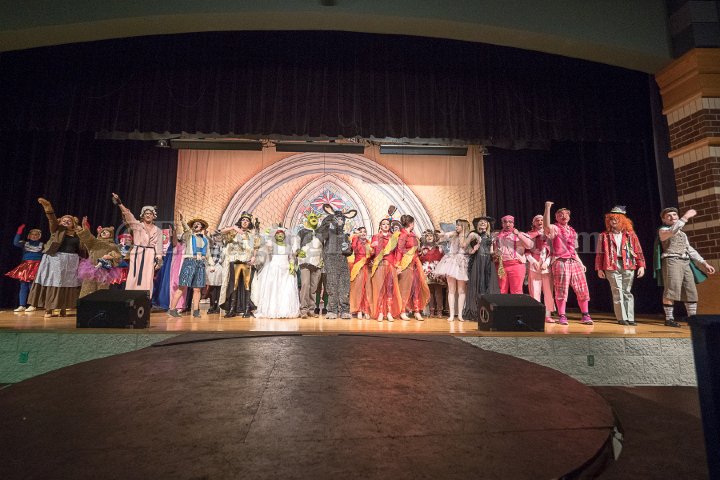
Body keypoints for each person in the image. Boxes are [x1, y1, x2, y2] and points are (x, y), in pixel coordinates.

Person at [654, 207, 715, 327]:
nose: (672, 217)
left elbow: (689, 249)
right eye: (669, 216)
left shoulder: (683, 234)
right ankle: (669, 318)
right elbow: (672, 231)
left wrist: (704, 263)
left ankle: (693, 318)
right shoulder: (663, 230)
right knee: (671, 288)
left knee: (690, 289)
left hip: (685, 261)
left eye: (674, 214)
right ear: (664, 220)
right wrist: (685, 217)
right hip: (672, 260)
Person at [27, 198, 83, 318]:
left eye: (69, 220)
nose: (66, 221)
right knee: (52, 281)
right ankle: (49, 309)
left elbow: (83, 248)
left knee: (67, 284)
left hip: (71, 261)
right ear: (60, 222)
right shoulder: (56, 229)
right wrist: (48, 207)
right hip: (55, 259)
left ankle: (63, 307)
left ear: (73, 223)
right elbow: (51, 219)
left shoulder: (77, 234)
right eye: (64, 220)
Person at [543, 201, 593, 326]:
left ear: (569, 217)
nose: (563, 216)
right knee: (561, 289)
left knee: (582, 288)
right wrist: (547, 208)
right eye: (560, 214)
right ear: (556, 218)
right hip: (560, 261)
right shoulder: (554, 228)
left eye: (566, 214)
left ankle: (585, 314)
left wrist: (581, 263)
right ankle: (562, 315)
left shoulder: (572, 231)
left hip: (573, 260)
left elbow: (574, 250)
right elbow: (546, 225)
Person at [595, 206, 646, 326]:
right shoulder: (604, 235)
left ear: (622, 220)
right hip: (611, 264)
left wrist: (641, 265)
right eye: (611, 219)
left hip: (628, 263)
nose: (613, 221)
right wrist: (599, 268)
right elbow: (599, 253)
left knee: (627, 291)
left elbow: (638, 250)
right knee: (617, 290)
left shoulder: (630, 235)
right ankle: (622, 317)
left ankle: (630, 317)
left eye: (616, 219)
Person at [112, 193, 163, 296]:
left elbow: (159, 247)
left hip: (149, 254)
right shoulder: (137, 225)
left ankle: (145, 298)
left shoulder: (158, 230)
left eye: (150, 213)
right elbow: (128, 215)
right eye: (146, 213)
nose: (148, 215)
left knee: (147, 276)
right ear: (142, 215)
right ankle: (130, 297)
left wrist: (159, 260)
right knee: (134, 275)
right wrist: (120, 203)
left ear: (154, 216)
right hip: (137, 252)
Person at [168, 214, 213, 318]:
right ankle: (172, 309)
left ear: (202, 227)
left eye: (199, 224)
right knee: (182, 286)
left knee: (197, 289)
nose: (196, 225)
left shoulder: (205, 239)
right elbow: (186, 229)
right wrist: (182, 220)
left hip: (200, 263)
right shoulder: (189, 236)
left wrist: (211, 264)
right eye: (195, 224)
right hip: (189, 262)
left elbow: (208, 253)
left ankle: (196, 311)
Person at [251, 227, 300, 318]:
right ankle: (273, 310)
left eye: (282, 234)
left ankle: (284, 310)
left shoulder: (288, 247)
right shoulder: (272, 245)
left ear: (284, 236)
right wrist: (267, 234)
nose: (280, 235)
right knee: (274, 289)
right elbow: (264, 242)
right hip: (274, 269)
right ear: (275, 236)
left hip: (285, 270)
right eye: (278, 234)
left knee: (285, 290)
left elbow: (291, 258)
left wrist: (292, 265)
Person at [220, 212, 260, 318]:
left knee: (247, 285)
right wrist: (234, 228)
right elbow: (221, 231)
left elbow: (256, 247)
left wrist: (254, 257)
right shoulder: (234, 232)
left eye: (247, 220)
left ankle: (247, 309)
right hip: (235, 260)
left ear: (249, 223)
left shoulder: (252, 235)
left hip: (247, 261)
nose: (245, 222)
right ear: (240, 222)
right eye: (243, 220)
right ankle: (232, 309)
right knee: (234, 284)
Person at [435, 219, 474, 322]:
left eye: (458, 225)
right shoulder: (453, 234)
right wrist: (441, 235)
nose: (456, 227)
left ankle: (460, 314)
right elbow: (443, 235)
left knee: (461, 290)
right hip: (451, 262)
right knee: (451, 290)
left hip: (462, 263)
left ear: (464, 226)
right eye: (456, 225)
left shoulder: (468, 237)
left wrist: (473, 249)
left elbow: (469, 249)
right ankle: (451, 314)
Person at [463, 216, 499, 320]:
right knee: (477, 284)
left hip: (488, 262)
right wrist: (473, 250)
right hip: (478, 261)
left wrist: (496, 253)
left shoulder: (490, 236)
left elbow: (491, 251)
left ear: (488, 225)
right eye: (481, 222)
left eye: (485, 222)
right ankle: (475, 311)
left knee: (487, 285)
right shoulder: (473, 234)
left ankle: (487, 312)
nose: (483, 223)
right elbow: (464, 246)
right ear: (477, 224)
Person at [76, 218, 122, 297]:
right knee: (88, 288)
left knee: (101, 289)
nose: (103, 232)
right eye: (102, 232)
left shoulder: (113, 246)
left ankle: (99, 302)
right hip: (91, 268)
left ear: (110, 235)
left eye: (106, 232)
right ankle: (85, 302)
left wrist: (111, 257)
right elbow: (88, 238)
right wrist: (84, 228)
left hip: (104, 269)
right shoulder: (94, 242)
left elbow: (119, 257)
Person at [396, 215, 430, 321]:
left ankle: (416, 310)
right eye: (413, 223)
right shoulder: (402, 235)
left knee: (416, 287)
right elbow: (399, 250)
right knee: (405, 287)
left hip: (415, 262)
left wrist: (420, 252)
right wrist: (398, 265)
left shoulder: (413, 235)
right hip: (406, 263)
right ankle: (402, 311)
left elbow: (415, 249)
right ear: (411, 223)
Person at [369, 218, 402, 322]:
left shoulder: (393, 237)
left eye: (387, 224)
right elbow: (371, 253)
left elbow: (397, 252)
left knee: (390, 288)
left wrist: (398, 265)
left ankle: (389, 312)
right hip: (379, 265)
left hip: (390, 265)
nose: (385, 225)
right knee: (380, 288)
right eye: (383, 224)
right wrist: (371, 248)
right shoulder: (375, 237)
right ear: (380, 226)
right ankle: (380, 312)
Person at [5, 224, 43, 312]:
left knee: (32, 286)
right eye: (32, 234)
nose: (34, 236)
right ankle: (22, 305)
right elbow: (15, 243)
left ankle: (33, 304)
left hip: (36, 266)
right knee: (23, 285)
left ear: (39, 236)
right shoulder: (25, 243)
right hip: (26, 266)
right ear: (29, 236)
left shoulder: (42, 245)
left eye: (36, 234)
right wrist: (19, 231)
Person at [526, 215, 555, 323]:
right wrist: (533, 262)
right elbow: (526, 251)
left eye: (542, 220)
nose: (540, 221)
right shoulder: (529, 235)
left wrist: (546, 263)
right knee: (535, 291)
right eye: (537, 220)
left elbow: (552, 252)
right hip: (534, 267)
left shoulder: (549, 235)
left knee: (548, 292)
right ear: (533, 223)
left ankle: (548, 315)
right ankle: (536, 314)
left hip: (546, 267)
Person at [494, 215, 534, 294]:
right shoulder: (497, 236)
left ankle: (517, 303)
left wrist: (518, 234)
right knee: (501, 290)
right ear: (502, 224)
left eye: (510, 222)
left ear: (513, 223)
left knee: (516, 291)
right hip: (501, 266)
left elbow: (530, 245)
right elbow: (495, 250)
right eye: (505, 222)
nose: (507, 224)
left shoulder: (520, 234)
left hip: (516, 264)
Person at [296, 211, 324, 318]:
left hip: (317, 263)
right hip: (305, 262)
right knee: (305, 285)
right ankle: (303, 310)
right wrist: (298, 251)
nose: (313, 218)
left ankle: (311, 309)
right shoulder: (302, 231)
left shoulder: (320, 233)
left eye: (315, 217)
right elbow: (296, 244)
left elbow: (324, 247)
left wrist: (323, 259)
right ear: (307, 219)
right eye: (311, 217)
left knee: (313, 288)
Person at [419, 229, 446, 317]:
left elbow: (443, 260)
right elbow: (420, 261)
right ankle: (431, 311)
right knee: (430, 292)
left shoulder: (439, 248)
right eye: (427, 236)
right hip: (427, 272)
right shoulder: (423, 249)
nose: (429, 237)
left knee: (438, 292)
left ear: (434, 237)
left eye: (431, 236)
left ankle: (439, 311)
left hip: (437, 272)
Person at [349, 226, 372, 319]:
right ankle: (358, 310)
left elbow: (372, 254)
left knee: (367, 289)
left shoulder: (369, 243)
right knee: (358, 289)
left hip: (367, 267)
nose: (363, 233)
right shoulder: (356, 241)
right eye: (361, 231)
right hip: (358, 268)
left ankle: (366, 310)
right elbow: (353, 248)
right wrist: (356, 236)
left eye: (364, 231)